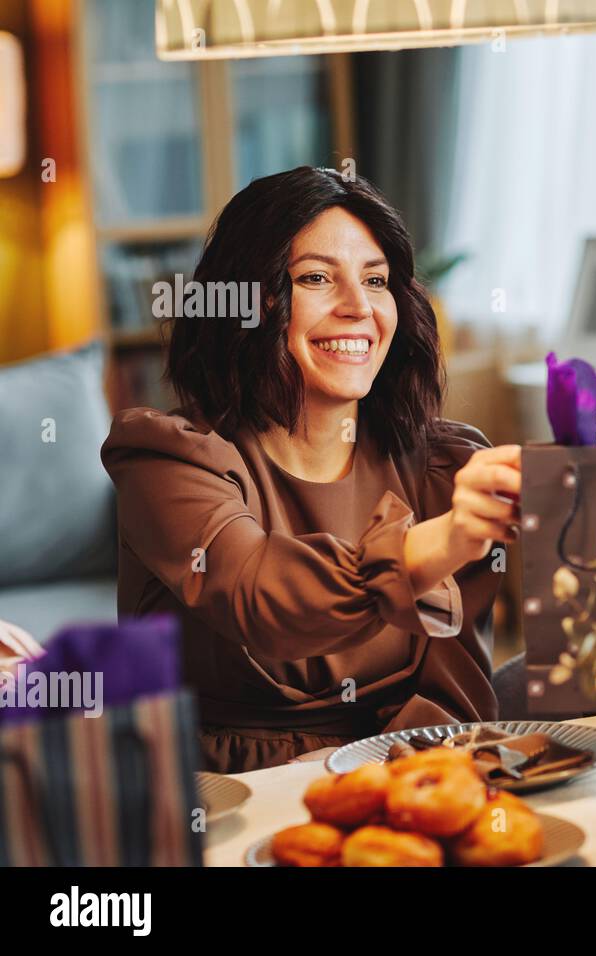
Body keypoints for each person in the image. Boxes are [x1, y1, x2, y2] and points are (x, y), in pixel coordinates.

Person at [102, 168, 521, 772]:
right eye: (317, 278)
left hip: (398, 779)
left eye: (376, 281)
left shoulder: (444, 466)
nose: (358, 307)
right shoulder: (167, 460)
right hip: (222, 802)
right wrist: (446, 539)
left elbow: (453, 700)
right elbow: (257, 594)